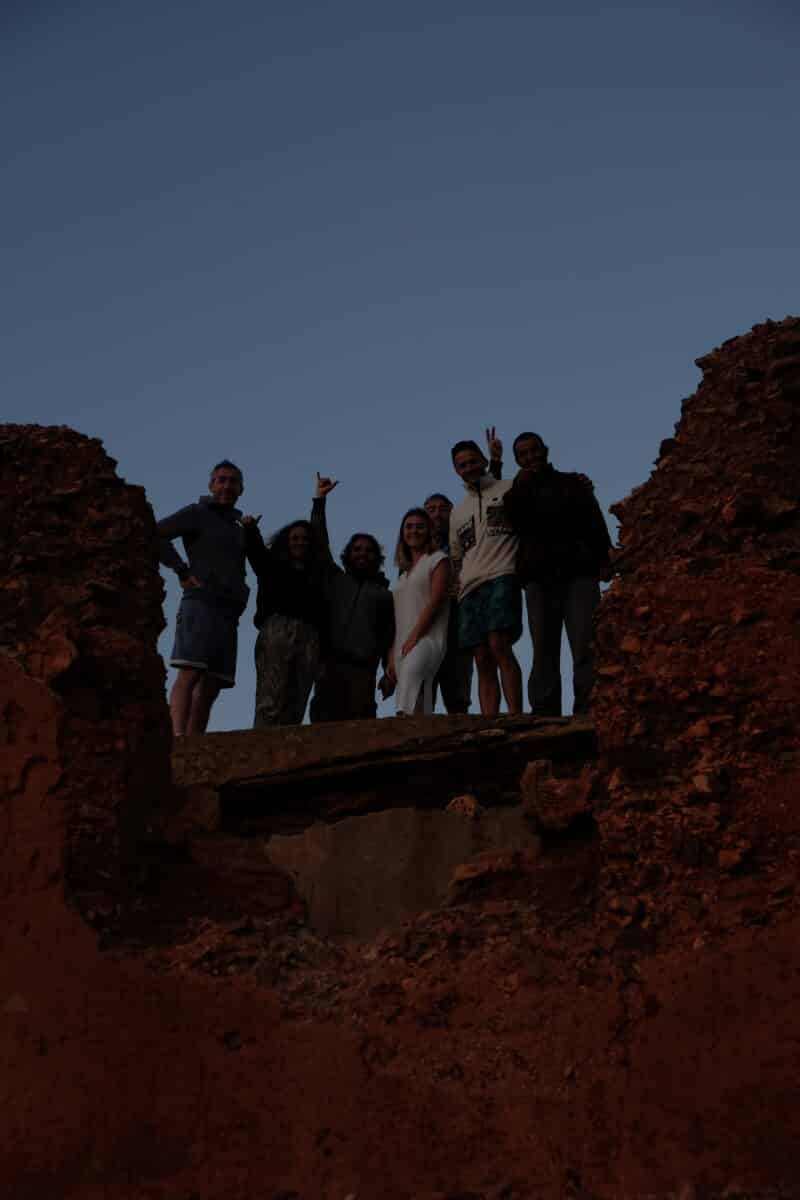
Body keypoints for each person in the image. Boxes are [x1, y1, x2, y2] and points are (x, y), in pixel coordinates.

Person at [503, 431, 613, 716]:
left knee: (585, 642)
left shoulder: (573, 483)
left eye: (534, 450)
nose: (531, 457)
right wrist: (520, 486)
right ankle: (544, 712)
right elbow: (513, 520)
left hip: (578, 573)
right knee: (543, 649)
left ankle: (589, 708)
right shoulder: (516, 494)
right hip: (539, 579)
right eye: (523, 454)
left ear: (546, 450)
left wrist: (604, 557)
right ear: (517, 460)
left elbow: (594, 521)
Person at [158, 460, 253, 736]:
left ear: (241, 489)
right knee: (190, 672)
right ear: (211, 485)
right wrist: (181, 570)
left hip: (229, 610)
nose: (226, 485)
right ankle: (176, 737)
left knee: (212, 683)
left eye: (232, 481)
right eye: (221, 480)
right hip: (201, 602)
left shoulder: (238, 528)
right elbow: (155, 533)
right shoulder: (197, 513)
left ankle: (195, 739)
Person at [424, 428, 503, 714]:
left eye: (441, 507)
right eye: (430, 508)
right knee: (425, 685)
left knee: (460, 682)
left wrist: (495, 463)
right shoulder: (417, 553)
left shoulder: (464, 526)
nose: (436, 513)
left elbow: (492, 505)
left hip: (462, 612)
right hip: (429, 621)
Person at [309, 474, 395, 722]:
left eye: (368, 551)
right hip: (329, 667)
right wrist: (319, 501)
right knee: (322, 729)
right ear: (348, 554)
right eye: (357, 549)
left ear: (377, 558)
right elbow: (319, 544)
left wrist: (387, 673)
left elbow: (389, 637)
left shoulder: (383, 595)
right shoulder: (335, 579)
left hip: (363, 671)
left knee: (360, 728)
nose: (362, 554)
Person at [448, 439, 523, 716]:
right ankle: (488, 721)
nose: (468, 468)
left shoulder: (509, 488)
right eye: (462, 465)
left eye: (472, 461)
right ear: (456, 470)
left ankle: (515, 714)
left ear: (483, 460)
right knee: (481, 657)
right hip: (470, 588)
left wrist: (498, 463)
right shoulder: (457, 512)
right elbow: (456, 556)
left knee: (499, 644)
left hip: (503, 575)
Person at [241, 514, 327, 727]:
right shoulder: (272, 564)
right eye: (295, 538)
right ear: (286, 541)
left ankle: (287, 751)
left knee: (297, 701)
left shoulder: (317, 573)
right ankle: (261, 749)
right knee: (271, 697)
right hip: (277, 629)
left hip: (310, 635)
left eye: (305, 539)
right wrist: (251, 529)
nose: (301, 542)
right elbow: (256, 553)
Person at [383, 508, 451, 715]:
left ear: (429, 530)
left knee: (411, 677)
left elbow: (436, 601)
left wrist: (415, 636)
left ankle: (403, 725)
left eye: (420, 526)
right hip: (402, 643)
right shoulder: (403, 575)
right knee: (419, 692)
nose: (414, 531)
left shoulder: (438, 559)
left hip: (428, 638)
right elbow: (399, 616)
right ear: (402, 533)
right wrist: (390, 655)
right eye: (409, 526)